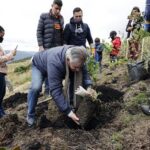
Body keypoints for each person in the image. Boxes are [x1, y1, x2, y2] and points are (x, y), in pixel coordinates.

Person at [27, 45, 93, 126]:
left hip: (52, 63)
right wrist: (68, 112)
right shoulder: (55, 62)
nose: (78, 69)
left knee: (75, 76)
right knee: (36, 87)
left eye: (79, 67)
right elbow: (55, 90)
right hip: (39, 65)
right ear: (68, 60)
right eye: (75, 67)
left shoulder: (79, 54)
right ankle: (30, 116)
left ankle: (72, 106)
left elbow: (84, 72)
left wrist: (89, 86)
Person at [36, 0, 64, 95]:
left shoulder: (61, 19)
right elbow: (39, 31)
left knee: (54, 70)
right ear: (52, 6)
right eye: (56, 8)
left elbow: (61, 34)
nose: (58, 11)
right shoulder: (44, 16)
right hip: (46, 48)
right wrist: (40, 46)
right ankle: (42, 89)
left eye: (59, 9)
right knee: (45, 70)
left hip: (57, 49)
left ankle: (52, 90)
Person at [0, 26, 17, 118]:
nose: (2, 37)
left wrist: (11, 55)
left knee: (2, 94)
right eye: (2, 35)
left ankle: (2, 113)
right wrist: (10, 55)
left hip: (1, 72)